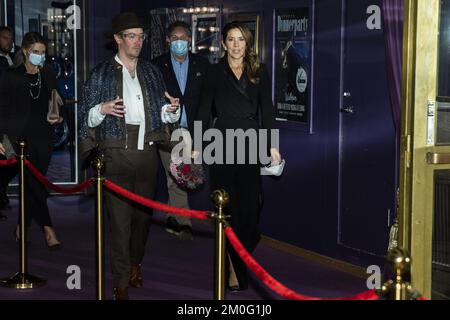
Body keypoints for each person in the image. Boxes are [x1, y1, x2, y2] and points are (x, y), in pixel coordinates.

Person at [77, 12, 180, 300]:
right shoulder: (100, 73)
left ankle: (135, 263)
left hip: (147, 153)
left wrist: (172, 110)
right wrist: (102, 109)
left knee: (143, 219)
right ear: (118, 39)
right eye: (131, 36)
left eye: (141, 36)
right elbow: (85, 117)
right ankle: (121, 281)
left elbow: (161, 113)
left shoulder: (151, 72)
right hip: (116, 154)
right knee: (120, 222)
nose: (138, 41)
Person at [196, 22, 282, 291]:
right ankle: (233, 270)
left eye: (241, 40)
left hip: (250, 143)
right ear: (223, 43)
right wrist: (198, 144)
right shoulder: (213, 71)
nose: (235, 45)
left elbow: (267, 110)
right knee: (227, 209)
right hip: (221, 143)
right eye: (231, 40)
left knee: (251, 212)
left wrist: (272, 145)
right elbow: (202, 110)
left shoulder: (259, 71)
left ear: (248, 44)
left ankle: (235, 259)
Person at [0, 32, 62, 246]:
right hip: (19, 138)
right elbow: (2, 108)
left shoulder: (47, 73)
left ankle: (22, 225)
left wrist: (56, 115)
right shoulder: (12, 75)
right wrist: (1, 139)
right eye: (36, 52)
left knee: (34, 182)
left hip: (44, 136)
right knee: (33, 183)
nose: (40, 56)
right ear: (25, 51)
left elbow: (55, 100)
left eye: (43, 52)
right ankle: (49, 229)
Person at [152, 21, 209, 240]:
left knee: (177, 177)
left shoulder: (202, 65)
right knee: (177, 176)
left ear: (189, 40)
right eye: (174, 38)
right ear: (168, 41)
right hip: (170, 131)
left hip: (193, 129)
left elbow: (205, 101)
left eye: (183, 38)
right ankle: (183, 223)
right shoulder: (157, 65)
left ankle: (172, 218)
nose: (179, 42)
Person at [0, 26, 15, 219]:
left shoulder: (14, 57)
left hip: (11, 119)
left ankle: (1, 193)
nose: (9, 42)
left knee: (10, 161)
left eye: (11, 38)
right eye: (5, 38)